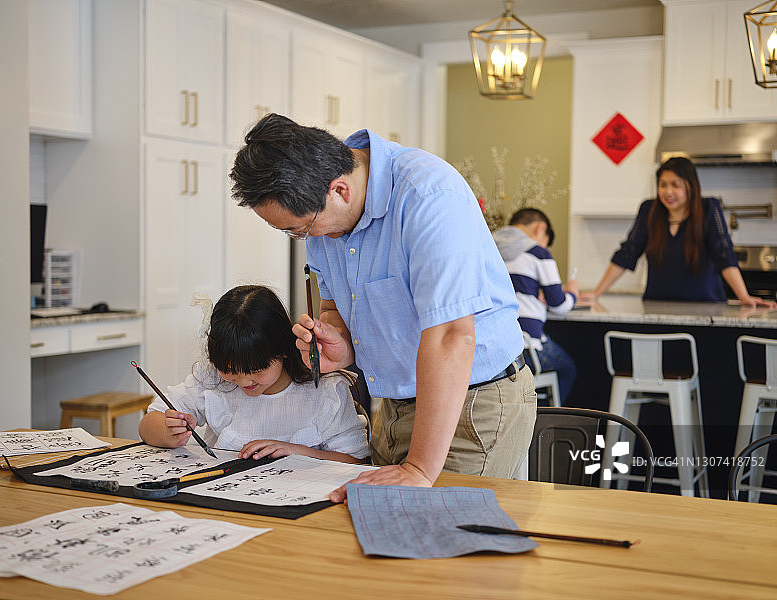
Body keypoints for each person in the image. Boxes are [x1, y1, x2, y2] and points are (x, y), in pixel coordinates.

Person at [229, 114, 536, 502]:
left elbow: (452, 335)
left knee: (438, 537)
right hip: (392, 406)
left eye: (300, 229)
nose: (302, 238)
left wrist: (419, 469)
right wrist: (337, 343)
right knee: (372, 531)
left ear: (339, 190)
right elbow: (334, 307)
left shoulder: (428, 195)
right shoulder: (325, 213)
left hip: (471, 404)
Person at [138, 285, 369, 464]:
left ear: (283, 351)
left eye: (256, 371)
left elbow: (356, 460)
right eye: (229, 371)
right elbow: (148, 424)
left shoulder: (323, 390)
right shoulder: (212, 379)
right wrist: (168, 431)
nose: (243, 381)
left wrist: (298, 453)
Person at [582, 156, 776, 307]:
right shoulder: (649, 210)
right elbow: (627, 253)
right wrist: (596, 293)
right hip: (656, 306)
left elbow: (724, 254)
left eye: (676, 185)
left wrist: (743, 296)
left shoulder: (709, 208)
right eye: (663, 185)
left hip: (706, 306)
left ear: (690, 186)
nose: (668, 192)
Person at [493, 208, 578, 402]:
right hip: (525, 349)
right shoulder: (538, 252)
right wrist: (573, 293)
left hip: (494, 349)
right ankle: (545, 425)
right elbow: (559, 304)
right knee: (567, 369)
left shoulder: (487, 246)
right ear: (541, 228)